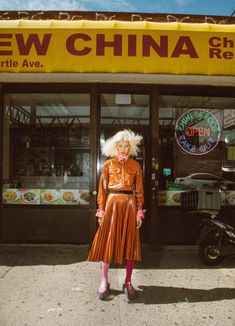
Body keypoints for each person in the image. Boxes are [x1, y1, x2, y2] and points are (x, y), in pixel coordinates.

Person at [88, 129, 145, 301]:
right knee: (107, 244)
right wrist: (101, 210)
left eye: (126, 146)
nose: (123, 149)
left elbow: (140, 191)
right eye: (120, 145)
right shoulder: (108, 165)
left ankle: (128, 281)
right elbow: (102, 190)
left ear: (130, 147)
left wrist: (140, 212)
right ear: (115, 147)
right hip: (111, 206)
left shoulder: (135, 165)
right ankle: (104, 281)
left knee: (130, 244)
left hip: (130, 206)